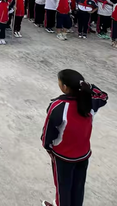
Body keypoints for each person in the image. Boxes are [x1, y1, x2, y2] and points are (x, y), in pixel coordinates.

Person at [41, 69, 108, 206]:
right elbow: (103, 96)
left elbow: (47, 133)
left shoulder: (57, 106)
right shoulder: (89, 104)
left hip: (63, 157)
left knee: (63, 188)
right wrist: (88, 87)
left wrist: (48, 148)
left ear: (64, 87)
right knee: (78, 186)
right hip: (83, 155)